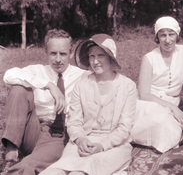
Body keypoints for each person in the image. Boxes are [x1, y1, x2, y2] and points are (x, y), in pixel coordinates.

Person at [40, 34, 137, 175]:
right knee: (54, 172)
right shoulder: (81, 84)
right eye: (92, 56)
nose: (95, 61)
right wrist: (80, 140)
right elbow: (73, 121)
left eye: (101, 55)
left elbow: (125, 127)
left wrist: (102, 145)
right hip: (82, 142)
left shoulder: (128, 86)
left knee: (79, 173)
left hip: (114, 146)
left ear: (111, 58)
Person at [2, 29, 87, 174]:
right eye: (53, 53)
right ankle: (11, 148)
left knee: (28, 165)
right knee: (19, 88)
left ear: (71, 53)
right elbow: (9, 75)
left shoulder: (83, 76)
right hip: (31, 130)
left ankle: (16, 168)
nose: (58, 59)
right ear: (46, 52)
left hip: (56, 134)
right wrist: (49, 85)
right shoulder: (37, 71)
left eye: (63, 54)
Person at [130, 16, 183, 153]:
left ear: (177, 35)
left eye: (171, 34)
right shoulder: (149, 58)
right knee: (158, 120)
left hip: (171, 102)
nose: (167, 40)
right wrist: (172, 108)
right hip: (149, 102)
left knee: (167, 124)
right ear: (157, 37)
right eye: (163, 35)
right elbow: (144, 94)